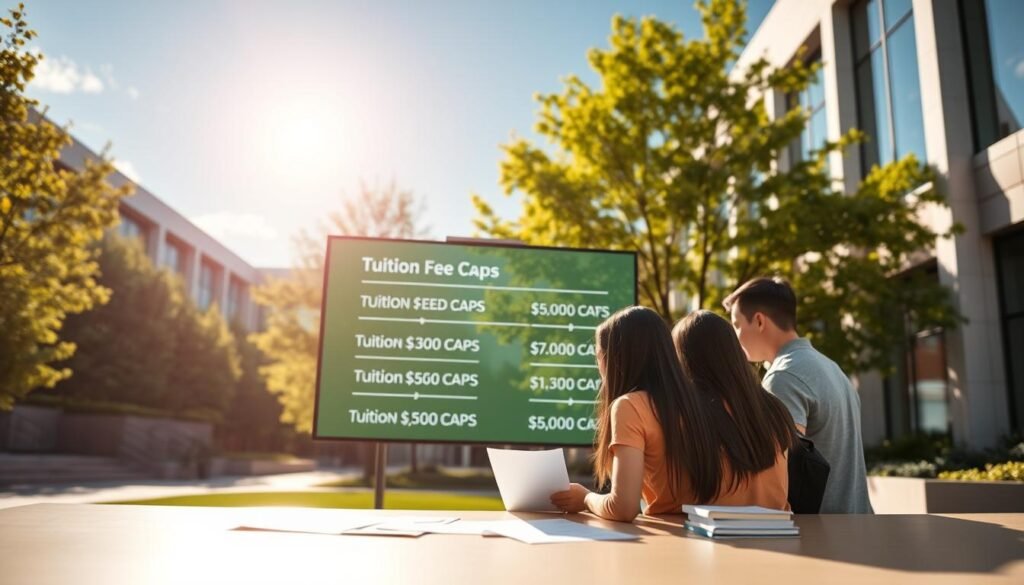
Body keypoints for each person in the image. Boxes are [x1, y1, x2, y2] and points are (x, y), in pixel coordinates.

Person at [550, 306, 791, 521]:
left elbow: (623, 507)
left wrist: (585, 498)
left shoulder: (647, 408)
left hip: (688, 543)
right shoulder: (773, 408)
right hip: (783, 538)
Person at [723, 277, 873, 514]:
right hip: (856, 526)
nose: (734, 336)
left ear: (760, 321)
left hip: (820, 536)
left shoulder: (784, 377)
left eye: (736, 325)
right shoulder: (832, 367)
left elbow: (783, 470)